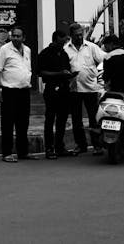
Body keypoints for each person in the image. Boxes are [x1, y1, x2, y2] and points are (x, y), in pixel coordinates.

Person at [0, 26, 36, 163]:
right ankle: (7, 153)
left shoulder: (27, 50)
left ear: (24, 38)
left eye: (18, 36)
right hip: (9, 91)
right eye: (14, 36)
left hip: (24, 91)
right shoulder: (4, 49)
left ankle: (23, 152)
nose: (15, 38)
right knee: (8, 123)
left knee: (23, 123)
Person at [66, 22, 106, 156]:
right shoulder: (66, 49)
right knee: (76, 120)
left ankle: (97, 145)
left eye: (80, 34)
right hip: (74, 90)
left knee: (94, 119)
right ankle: (80, 145)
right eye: (76, 35)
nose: (79, 37)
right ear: (71, 35)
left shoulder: (91, 47)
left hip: (91, 89)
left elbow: (104, 59)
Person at [37, 29, 76, 159]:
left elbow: (67, 70)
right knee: (50, 119)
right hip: (51, 89)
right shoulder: (45, 53)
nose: (65, 42)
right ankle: (49, 148)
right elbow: (40, 72)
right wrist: (59, 74)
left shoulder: (64, 54)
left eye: (65, 40)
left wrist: (70, 76)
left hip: (64, 90)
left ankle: (60, 147)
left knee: (62, 119)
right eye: (62, 39)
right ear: (55, 39)